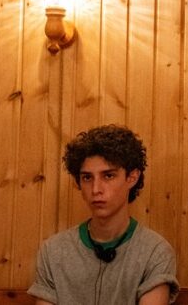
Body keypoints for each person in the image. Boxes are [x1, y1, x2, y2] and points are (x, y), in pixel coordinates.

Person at [29, 125, 178, 304]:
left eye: (108, 176)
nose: (96, 189)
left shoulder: (155, 252)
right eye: (87, 178)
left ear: (132, 177)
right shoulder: (53, 252)